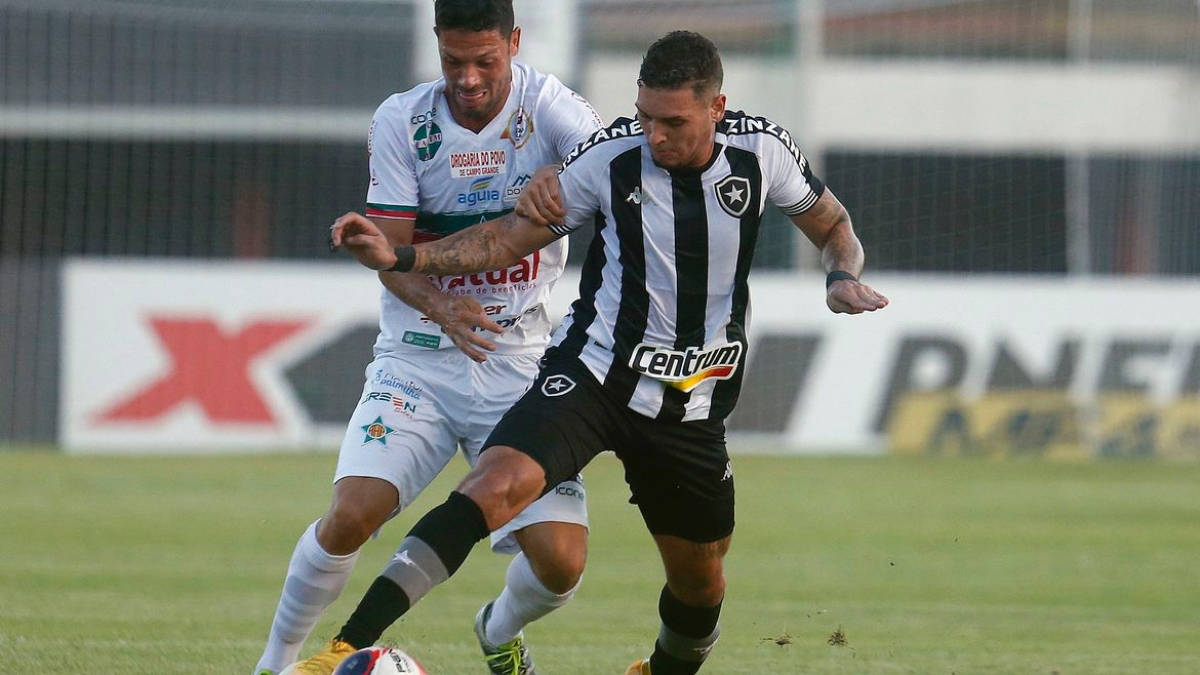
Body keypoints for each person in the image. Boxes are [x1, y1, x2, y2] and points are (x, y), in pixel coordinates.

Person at [330, 30, 888, 675]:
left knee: (701, 583)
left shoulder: (764, 152)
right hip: (593, 375)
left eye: (673, 122)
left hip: (691, 398)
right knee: (492, 487)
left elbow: (834, 227)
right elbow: (506, 240)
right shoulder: (609, 157)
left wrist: (839, 276)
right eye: (645, 116)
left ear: (717, 108)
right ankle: (343, 649)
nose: (654, 135)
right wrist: (402, 255)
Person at [253, 2, 605, 674]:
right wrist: (441, 306)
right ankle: (274, 665)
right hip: (417, 360)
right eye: (453, 61)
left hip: (522, 368)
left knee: (561, 562)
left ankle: (497, 627)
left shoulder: (553, 110)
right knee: (352, 513)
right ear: (437, 47)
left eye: (485, 61)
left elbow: (612, 160)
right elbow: (389, 253)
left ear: (515, 44)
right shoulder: (402, 120)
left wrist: (566, 173)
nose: (467, 78)